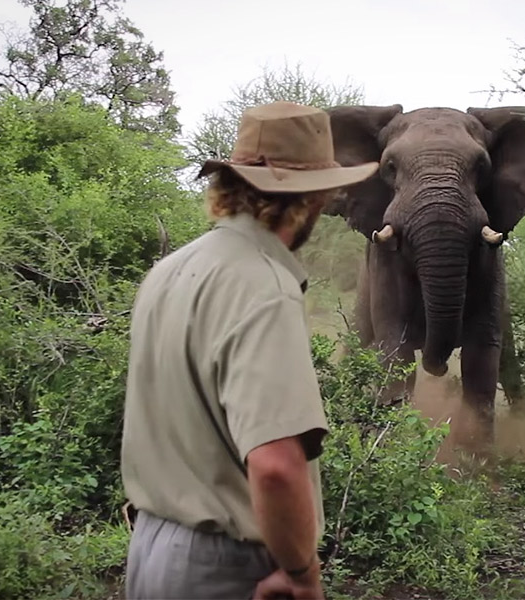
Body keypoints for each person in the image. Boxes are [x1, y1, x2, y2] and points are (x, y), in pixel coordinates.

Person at [119, 102, 379, 600]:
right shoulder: (263, 284)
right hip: (227, 568)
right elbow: (276, 465)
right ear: (311, 198)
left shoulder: (169, 271)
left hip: (149, 548)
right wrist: (302, 574)